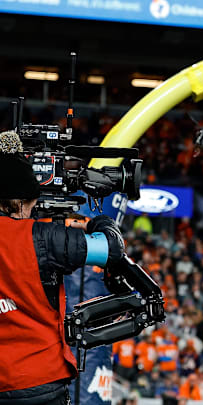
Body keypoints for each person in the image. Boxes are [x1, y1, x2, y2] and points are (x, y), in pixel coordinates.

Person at [0, 130, 125, 405]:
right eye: (31, 207)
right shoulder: (42, 237)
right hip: (39, 382)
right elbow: (111, 247)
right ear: (20, 202)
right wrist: (95, 220)